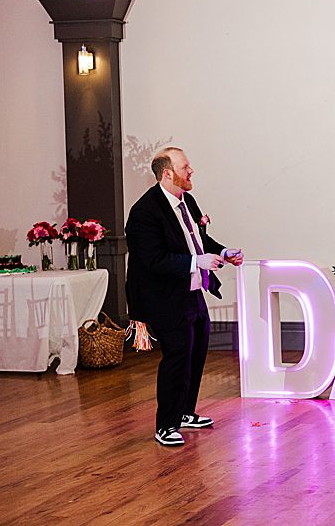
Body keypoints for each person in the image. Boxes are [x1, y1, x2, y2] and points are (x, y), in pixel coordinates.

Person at [126, 146, 244, 447]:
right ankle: (165, 424)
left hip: (191, 290)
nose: (191, 172)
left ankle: (185, 413)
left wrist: (222, 252)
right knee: (177, 355)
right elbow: (154, 260)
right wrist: (196, 263)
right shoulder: (144, 212)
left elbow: (199, 239)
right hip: (163, 296)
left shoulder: (186, 201)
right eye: (185, 167)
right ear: (168, 173)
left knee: (197, 349)